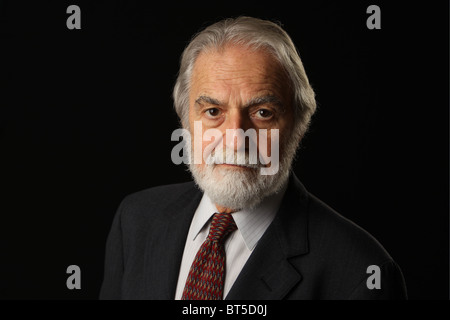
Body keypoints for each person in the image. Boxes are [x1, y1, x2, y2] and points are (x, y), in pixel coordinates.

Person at [99, 16, 407, 300]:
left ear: (299, 127)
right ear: (185, 121)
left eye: (262, 113)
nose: (235, 138)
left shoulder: (361, 274)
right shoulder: (136, 220)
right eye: (213, 112)